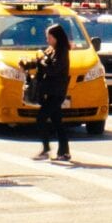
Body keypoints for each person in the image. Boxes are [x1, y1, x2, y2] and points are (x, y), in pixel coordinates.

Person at [27, 22, 73, 164]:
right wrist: (28, 63)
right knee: (57, 122)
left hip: (57, 92)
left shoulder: (62, 51)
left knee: (41, 118)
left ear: (56, 38)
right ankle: (64, 152)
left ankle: (46, 149)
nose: (47, 40)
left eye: (49, 37)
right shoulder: (52, 49)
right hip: (51, 91)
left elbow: (53, 69)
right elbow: (40, 61)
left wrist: (41, 63)